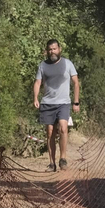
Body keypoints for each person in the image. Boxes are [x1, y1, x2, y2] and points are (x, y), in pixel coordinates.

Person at [31, 39, 80, 171]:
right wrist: (35, 97)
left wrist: (76, 102)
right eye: (50, 49)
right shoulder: (43, 65)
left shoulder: (67, 64)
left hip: (63, 103)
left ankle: (63, 158)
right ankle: (52, 163)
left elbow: (76, 83)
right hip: (48, 103)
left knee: (63, 128)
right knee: (50, 132)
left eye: (54, 49)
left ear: (59, 49)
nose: (52, 51)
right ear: (47, 51)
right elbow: (37, 83)